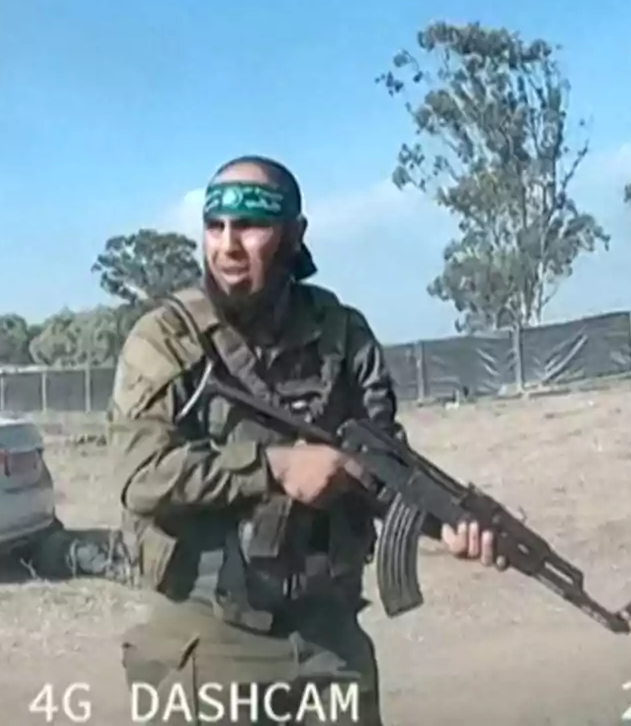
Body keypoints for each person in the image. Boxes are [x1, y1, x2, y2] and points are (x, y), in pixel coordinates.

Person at [109, 155, 506, 725]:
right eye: (215, 226)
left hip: (330, 643)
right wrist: (273, 468)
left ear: (294, 234)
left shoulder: (343, 335)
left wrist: (447, 523)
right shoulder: (166, 338)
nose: (227, 246)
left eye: (250, 227)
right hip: (208, 643)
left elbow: (382, 469)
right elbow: (139, 479)